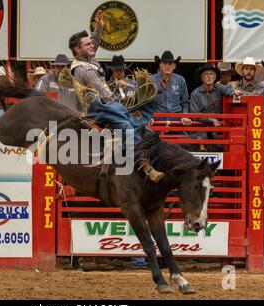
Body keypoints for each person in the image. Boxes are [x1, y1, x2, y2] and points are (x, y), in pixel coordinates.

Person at [68, 10, 164, 182]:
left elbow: (94, 43)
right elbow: (104, 93)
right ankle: (142, 164)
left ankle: (148, 156)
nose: (92, 46)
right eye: (87, 45)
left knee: (141, 123)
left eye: (91, 44)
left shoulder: (86, 60)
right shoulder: (84, 69)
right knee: (127, 125)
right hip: (97, 108)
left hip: (103, 104)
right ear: (77, 49)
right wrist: (122, 104)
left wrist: (98, 29)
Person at [190, 63, 242, 128]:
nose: (209, 76)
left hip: (218, 126)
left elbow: (227, 89)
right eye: (206, 74)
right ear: (202, 78)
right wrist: (211, 120)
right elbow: (195, 115)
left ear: (215, 78)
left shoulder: (219, 88)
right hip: (201, 127)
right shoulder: (195, 94)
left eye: (211, 74)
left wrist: (233, 91)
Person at [152, 50, 191, 125]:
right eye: (165, 63)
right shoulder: (152, 80)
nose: (167, 66)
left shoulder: (180, 80)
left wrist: (185, 116)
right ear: (160, 65)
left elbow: (185, 102)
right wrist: (150, 117)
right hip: (157, 121)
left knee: (186, 136)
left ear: (174, 66)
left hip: (177, 121)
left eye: (170, 64)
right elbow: (148, 103)